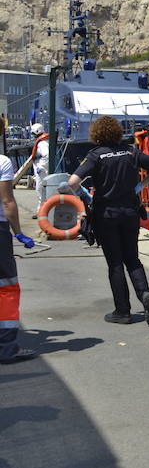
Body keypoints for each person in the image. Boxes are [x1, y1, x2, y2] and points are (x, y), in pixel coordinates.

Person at [64, 117, 149, 326]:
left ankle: (123, 311)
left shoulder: (96, 155)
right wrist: (140, 186)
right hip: (130, 212)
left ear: (96, 134)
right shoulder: (130, 151)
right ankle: (145, 293)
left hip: (106, 214)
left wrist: (85, 196)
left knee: (115, 263)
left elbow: (72, 182)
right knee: (132, 259)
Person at [0, 153, 37, 364]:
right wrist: (19, 233)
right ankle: (7, 348)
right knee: (7, 288)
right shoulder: (2, 162)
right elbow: (7, 202)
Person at [30, 123, 50, 219]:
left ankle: (41, 212)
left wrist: (41, 167)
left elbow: (47, 155)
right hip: (41, 170)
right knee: (42, 191)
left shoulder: (42, 143)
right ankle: (42, 211)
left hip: (41, 171)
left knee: (40, 191)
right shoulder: (43, 142)